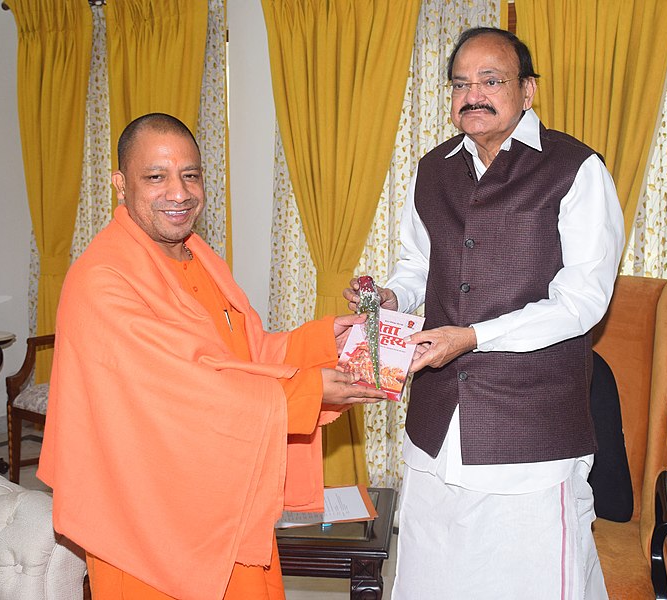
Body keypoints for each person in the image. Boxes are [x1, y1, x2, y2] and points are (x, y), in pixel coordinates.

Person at [37, 112, 386, 600]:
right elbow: (183, 390)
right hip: (147, 516)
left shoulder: (197, 254)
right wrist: (308, 391)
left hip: (221, 495)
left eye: (190, 175)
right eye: (155, 177)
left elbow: (246, 353)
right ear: (120, 183)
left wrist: (330, 339)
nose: (178, 193)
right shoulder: (104, 278)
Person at [344, 27, 625, 599]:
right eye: (460, 83)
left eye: (490, 80)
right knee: (434, 573)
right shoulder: (432, 168)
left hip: (532, 428)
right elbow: (416, 266)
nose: (473, 94)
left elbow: (582, 302)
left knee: (532, 580)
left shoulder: (577, 169)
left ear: (528, 90)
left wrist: (473, 337)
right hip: (438, 421)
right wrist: (389, 300)